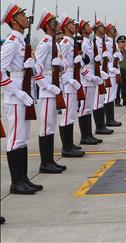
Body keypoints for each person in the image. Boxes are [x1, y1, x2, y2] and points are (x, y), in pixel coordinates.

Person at [1, 2, 44, 194]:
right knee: (15, 138)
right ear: (13, 20)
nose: (26, 18)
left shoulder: (21, 41)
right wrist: (16, 91)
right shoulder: (11, 41)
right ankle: (16, 182)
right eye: (22, 15)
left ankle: (23, 178)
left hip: (25, 91)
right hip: (16, 94)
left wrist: (33, 66)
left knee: (24, 138)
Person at [34, 9, 67, 174]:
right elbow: (35, 71)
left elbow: (62, 65)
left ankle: (50, 160)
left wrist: (60, 65)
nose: (58, 25)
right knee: (46, 126)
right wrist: (47, 87)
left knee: (51, 125)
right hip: (47, 90)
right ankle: (45, 163)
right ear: (47, 26)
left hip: (54, 86)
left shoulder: (53, 43)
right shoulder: (44, 44)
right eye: (54, 23)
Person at [57, 13, 85, 158]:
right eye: (72, 24)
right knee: (67, 116)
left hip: (74, 79)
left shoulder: (71, 42)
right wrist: (69, 80)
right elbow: (61, 67)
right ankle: (66, 147)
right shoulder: (65, 44)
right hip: (68, 82)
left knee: (72, 114)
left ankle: (70, 144)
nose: (75, 26)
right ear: (66, 27)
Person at [79, 19, 105, 145]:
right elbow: (80, 64)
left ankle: (89, 135)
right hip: (86, 78)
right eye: (88, 26)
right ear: (83, 30)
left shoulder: (89, 42)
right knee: (84, 108)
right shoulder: (83, 44)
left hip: (92, 75)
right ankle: (84, 136)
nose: (90, 27)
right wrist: (88, 76)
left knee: (88, 108)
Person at [92, 20, 114, 135]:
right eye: (101, 26)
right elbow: (93, 60)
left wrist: (109, 57)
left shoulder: (102, 41)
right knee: (97, 101)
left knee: (101, 99)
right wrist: (99, 71)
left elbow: (106, 58)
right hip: (97, 72)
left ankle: (102, 125)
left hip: (102, 70)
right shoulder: (94, 41)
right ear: (96, 29)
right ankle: (99, 126)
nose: (103, 28)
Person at [103, 23, 122, 127]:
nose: (115, 31)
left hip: (115, 72)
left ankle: (111, 118)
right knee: (108, 96)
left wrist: (118, 56)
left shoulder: (114, 43)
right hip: (110, 73)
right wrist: (111, 69)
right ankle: (108, 120)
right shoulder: (107, 43)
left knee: (113, 96)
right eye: (113, 29)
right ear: (108, 31)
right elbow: (103, 60)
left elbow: (119, 58)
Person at [117, 35, 126, 106]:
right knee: (118, 87)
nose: (123, 44)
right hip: (119, 71)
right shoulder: (116, 52)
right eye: (121, 42)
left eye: (124, 42)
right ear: (118, 43)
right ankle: (117, 101)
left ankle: (125, 101)